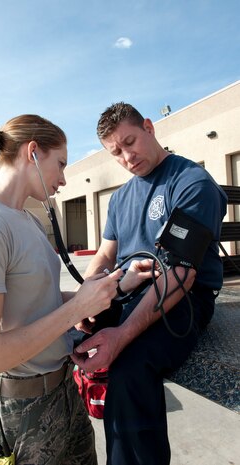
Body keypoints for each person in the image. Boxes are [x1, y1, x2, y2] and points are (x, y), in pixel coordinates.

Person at [0, 113, 143, 465]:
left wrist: (117, 285)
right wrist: (76, 309)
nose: (64, 179)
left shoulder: (28, 220)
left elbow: (42, 302)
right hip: (15, 414)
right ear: (33, 152)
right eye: (61, 164)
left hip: (63, 395)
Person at [71, 102, 227, 465]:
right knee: (61, 341)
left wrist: (121, 334)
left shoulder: (191, 183)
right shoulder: (121, 197)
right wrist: (85, 302)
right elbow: (103, 258)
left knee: (130, 368)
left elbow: (181, 274)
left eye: (130, 142)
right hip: (129, 291)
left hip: (183, 297)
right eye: (116, 152)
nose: (127, 157)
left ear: (149, 127)